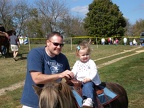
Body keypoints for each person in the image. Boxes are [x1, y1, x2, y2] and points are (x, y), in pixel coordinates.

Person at [20, 32, 74, 108]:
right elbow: (36, 78)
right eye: (56, 44)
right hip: (34, 101)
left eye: (61, 45)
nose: (59, 47)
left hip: (54, 102)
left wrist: (70, 77)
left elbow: (67, 78)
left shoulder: (63, 58)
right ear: (48, 42)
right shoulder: (36, 53)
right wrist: (60, 75)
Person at [71, 40, 101, 108]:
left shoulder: (91, 62)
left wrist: (89, 78)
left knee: (88, 86)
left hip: (89, 80)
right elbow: (74, 70)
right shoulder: (77, 63)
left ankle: (88, 100)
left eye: (87, 54)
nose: (85, 56)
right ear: (78, 55)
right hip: (79, 81)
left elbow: (94, 71)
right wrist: (71, 74)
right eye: (83, 55)